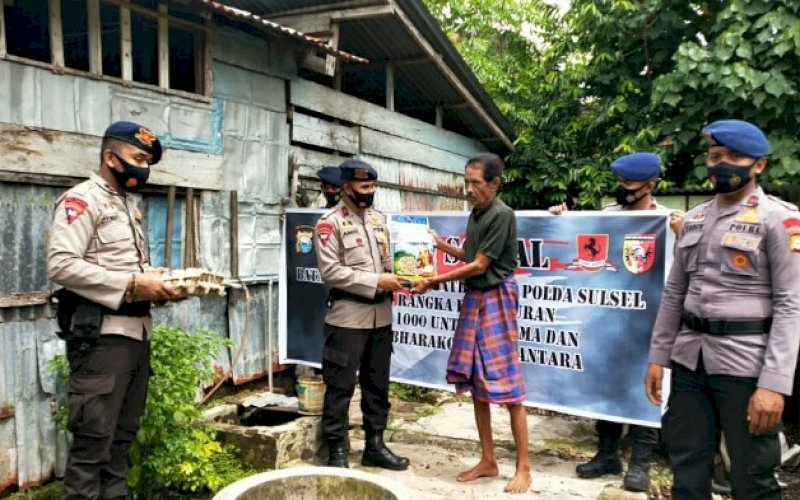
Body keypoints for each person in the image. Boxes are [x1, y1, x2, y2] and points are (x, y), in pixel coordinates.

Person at [644, 119, 800, 499]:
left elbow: (791, 303)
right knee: (687, 467)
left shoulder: (780, 219)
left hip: (746, 367)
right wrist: (658, 356)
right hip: (689, 362)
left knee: (753, 477)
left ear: (759, 164)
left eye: (734, 157)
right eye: (715, 156)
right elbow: (675, 290)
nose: (722, 164)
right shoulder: (696, 217)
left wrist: (774, 385)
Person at [48, 121, 182, 499]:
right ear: (111, 156)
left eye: (147, 160)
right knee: (92, 449)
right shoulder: (82, 200)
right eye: (138, 158)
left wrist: (152, 281)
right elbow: (61, 264)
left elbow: (122, 268)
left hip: (136, 337)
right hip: (102, 341)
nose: (144, 167)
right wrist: (133, 284)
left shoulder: (126, 204)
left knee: (121, 445)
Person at [549, 152, 684, 492]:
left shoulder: (669, 221)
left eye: (630, 184)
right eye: (620, 182)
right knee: (607, 385)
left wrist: (682, 234)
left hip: (650, 322)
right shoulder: (610, 215)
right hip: (609, 319)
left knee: (647, 391)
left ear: (651, 186)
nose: (622, 188)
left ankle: (640, 464)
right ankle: (607, 453)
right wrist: (563, 221)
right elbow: (580, 248)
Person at [412, 153, 532, 494]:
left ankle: (524, 467)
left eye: (475, 182)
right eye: (466, 181)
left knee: (509, 388)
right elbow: (470, 257)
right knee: (476, 381)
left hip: (496, 298)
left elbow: (480, 266)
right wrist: (439, 244)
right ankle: (488, 460)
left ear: (494, 183)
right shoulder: (477, 213)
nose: (468, 189)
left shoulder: (502, 214)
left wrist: (433, 280)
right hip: (476, 298)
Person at [314, 159, 409, 470]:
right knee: (340, 387)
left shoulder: (379, 221)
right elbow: (331, 272)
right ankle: (337, 449)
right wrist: (376, 282)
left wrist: (410, 278)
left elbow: (388, 264)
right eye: (363, 187)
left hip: (381, 316)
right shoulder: (329, 223)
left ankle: (375, 445)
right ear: (345, 189)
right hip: (348, 317)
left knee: (377, 385)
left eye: (372, 186)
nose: (370, 192)